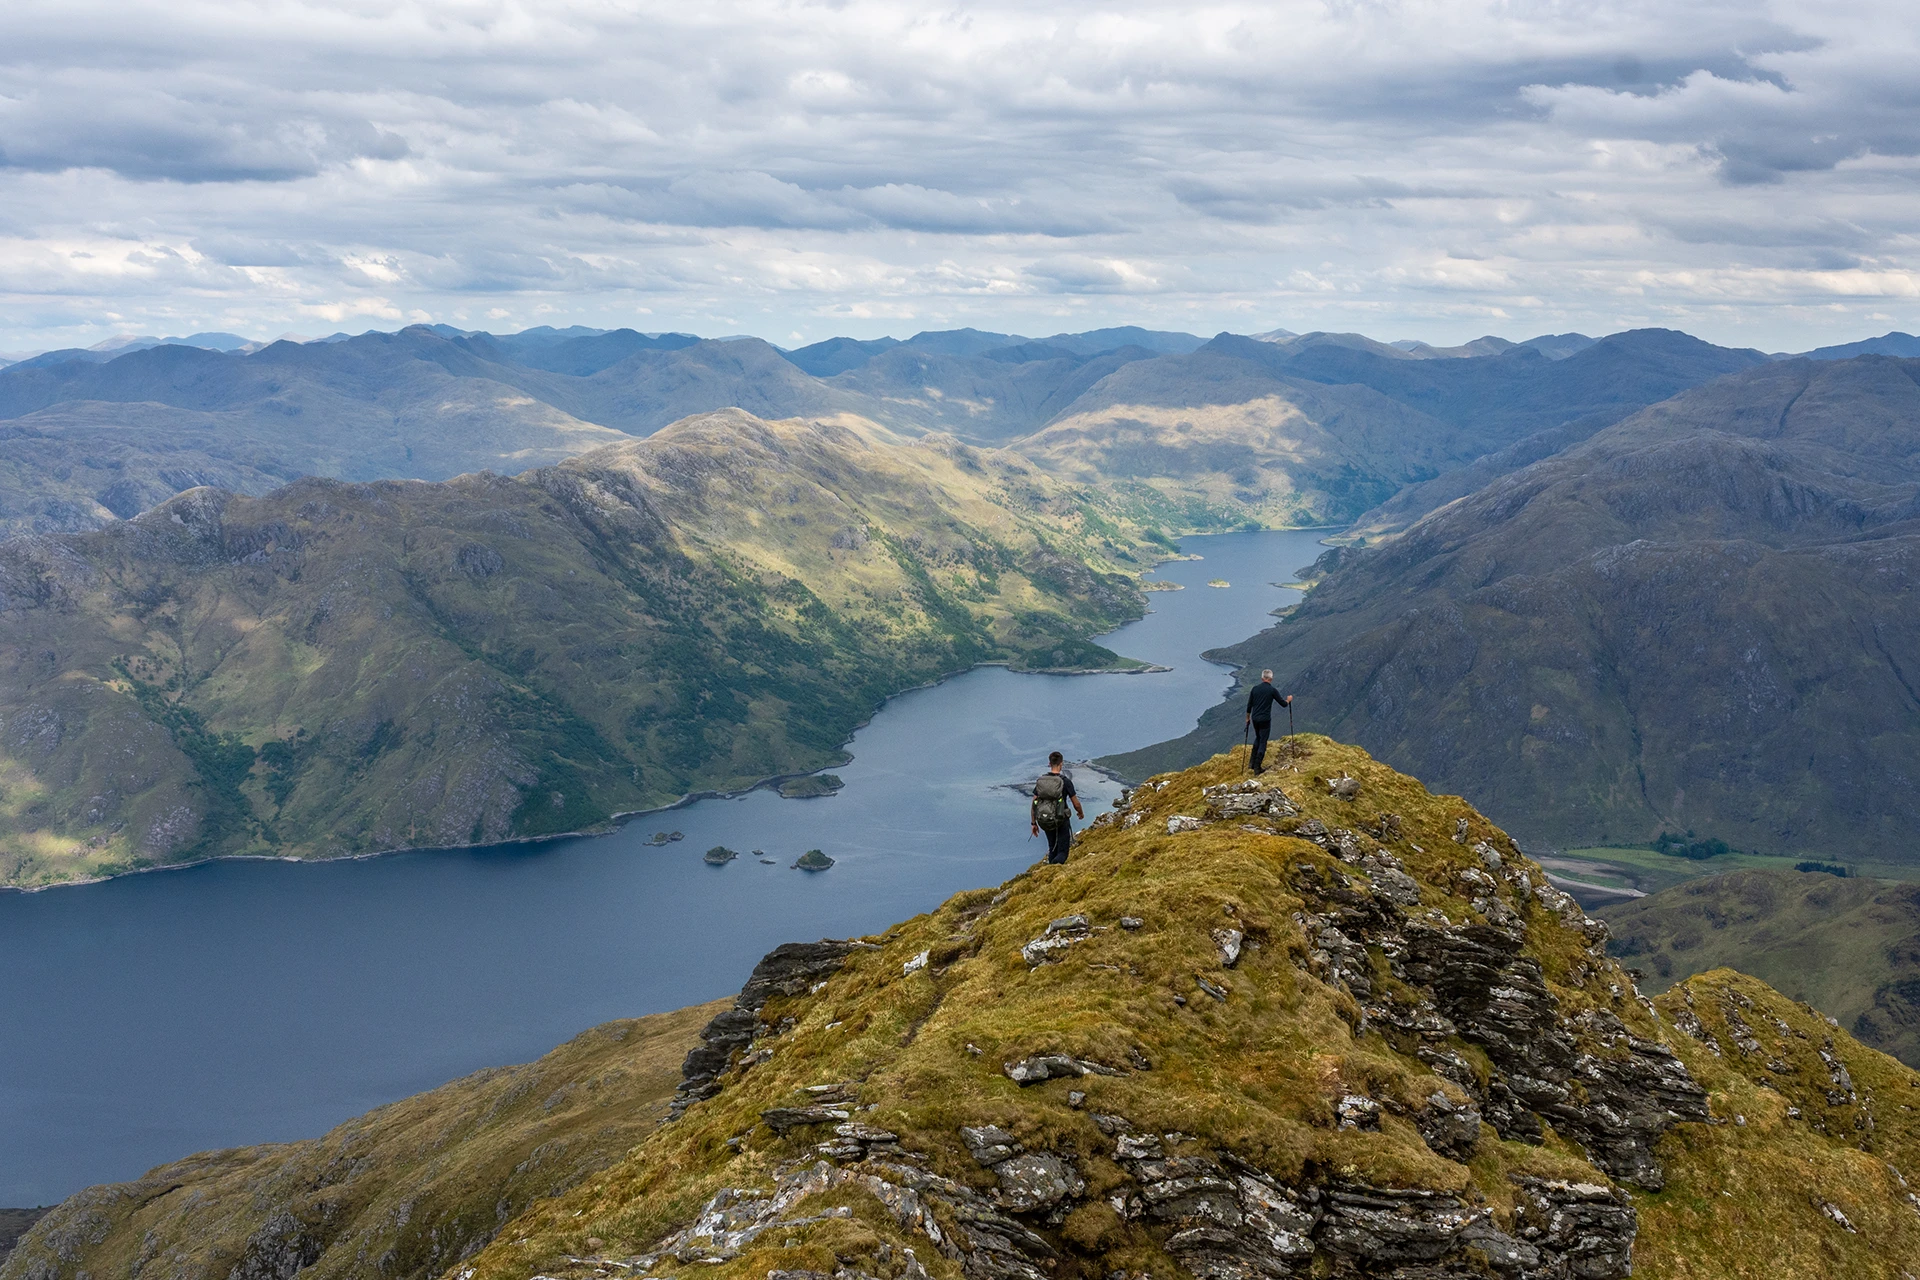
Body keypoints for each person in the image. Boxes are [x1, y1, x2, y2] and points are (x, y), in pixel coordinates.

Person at [1030, 751, 1085, 865]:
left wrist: (1033, 823)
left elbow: (1034, 803)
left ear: (1049, 764)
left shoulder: (1042, 781)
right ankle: (1055, 868)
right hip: (1061, 819)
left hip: (1045, 819)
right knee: (1063, 852)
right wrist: (1080, 813)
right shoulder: (1065, 781)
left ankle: (1050, 870)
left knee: (1052, 848)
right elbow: (1076, 803)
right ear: (1061, 764)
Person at [1245, 670, 1292, 772]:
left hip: (1255, 718)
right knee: (1263, 741)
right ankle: (1257, 768)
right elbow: (1283, 704)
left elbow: (1249, 705)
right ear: (1271, 679)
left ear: (1262, 678)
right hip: (1265, 720)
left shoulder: (1255, 689)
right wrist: (1288, 700)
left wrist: (1247, 718)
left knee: (1258, 737)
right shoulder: (1272, 690)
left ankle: (1251, 764)